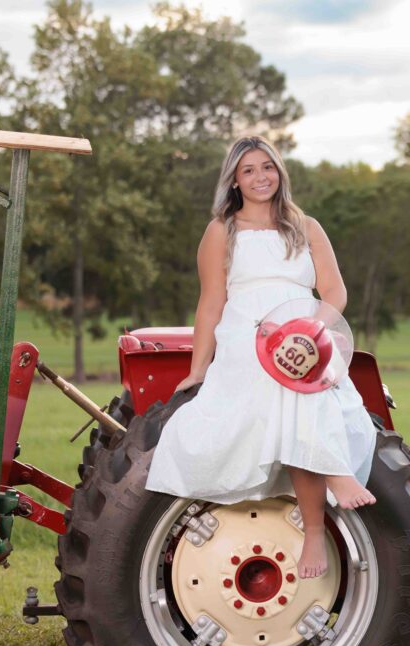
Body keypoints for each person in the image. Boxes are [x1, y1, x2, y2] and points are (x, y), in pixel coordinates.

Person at [145, 136, 377, 580]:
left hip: (303, 331)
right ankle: (335, 475)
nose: (260, 177)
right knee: (287, 382)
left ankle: (314, 529)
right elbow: (212, 301)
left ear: (280, 172)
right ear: (234, 179)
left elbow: (334, 291)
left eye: (267, 167)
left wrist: (313, 327)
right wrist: (197, 369)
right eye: (248, 170)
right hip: (249, 335)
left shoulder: (305, 225)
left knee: (299, 370)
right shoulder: (221, 230)